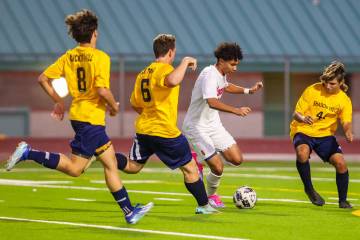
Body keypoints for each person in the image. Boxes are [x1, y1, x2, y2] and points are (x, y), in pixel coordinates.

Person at [5, 9, 153, 223]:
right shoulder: (101, 57)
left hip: (80, 116)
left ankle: (130, 212)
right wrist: (113, 107)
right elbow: (102, 90)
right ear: (93, 33)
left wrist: (58, 100)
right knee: (89, 168)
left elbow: (42, 78)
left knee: (96, 166)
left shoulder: (69, 56)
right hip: (91, 120)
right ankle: (28, 153)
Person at [115, 33, 218, 214]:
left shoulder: (142, 73)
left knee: (133, 167)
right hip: (164, 131)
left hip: (144, 130)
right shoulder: (164, 70)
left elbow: (134, 102)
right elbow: (172, 80)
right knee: (190, 168)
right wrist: (185, 61)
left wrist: (150, 113)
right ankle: (204, 206)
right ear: (171, 52)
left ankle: (103, 154)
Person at [181, 42, 263, 208]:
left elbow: (226, 86)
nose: (235, 68)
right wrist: (236, 110)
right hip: (196, 127)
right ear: (221, 60)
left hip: (213, 125)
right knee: (217, 167)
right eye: (232, 64)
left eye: (236, 65)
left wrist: (249, 91)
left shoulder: (220, 74)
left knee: (237, 159)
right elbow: (211, 102)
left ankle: (205, 158)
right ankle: (210, 197)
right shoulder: (209, 74)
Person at [290, 61, 353, 209]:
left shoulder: (344, 100)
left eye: (332, 84)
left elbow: (346, 121)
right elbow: (296, 114)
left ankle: (343, 201)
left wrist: (348, 131)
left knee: (341, 163)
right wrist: (303, 118)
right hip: (303, 129)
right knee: (302, 153)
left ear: (341, 82)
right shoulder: (313, 90)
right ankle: (309, 189)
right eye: (326, 83)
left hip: (325, 135)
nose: (328, 86)